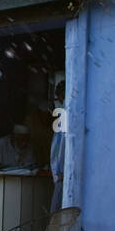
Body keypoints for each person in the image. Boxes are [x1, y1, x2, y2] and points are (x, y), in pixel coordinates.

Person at [50, 81, 66, 212]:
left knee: (57, 215)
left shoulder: (65, 115)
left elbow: (59, 148)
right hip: (61, 173)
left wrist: (58, 171)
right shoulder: (63, 115)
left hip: (62, 173)